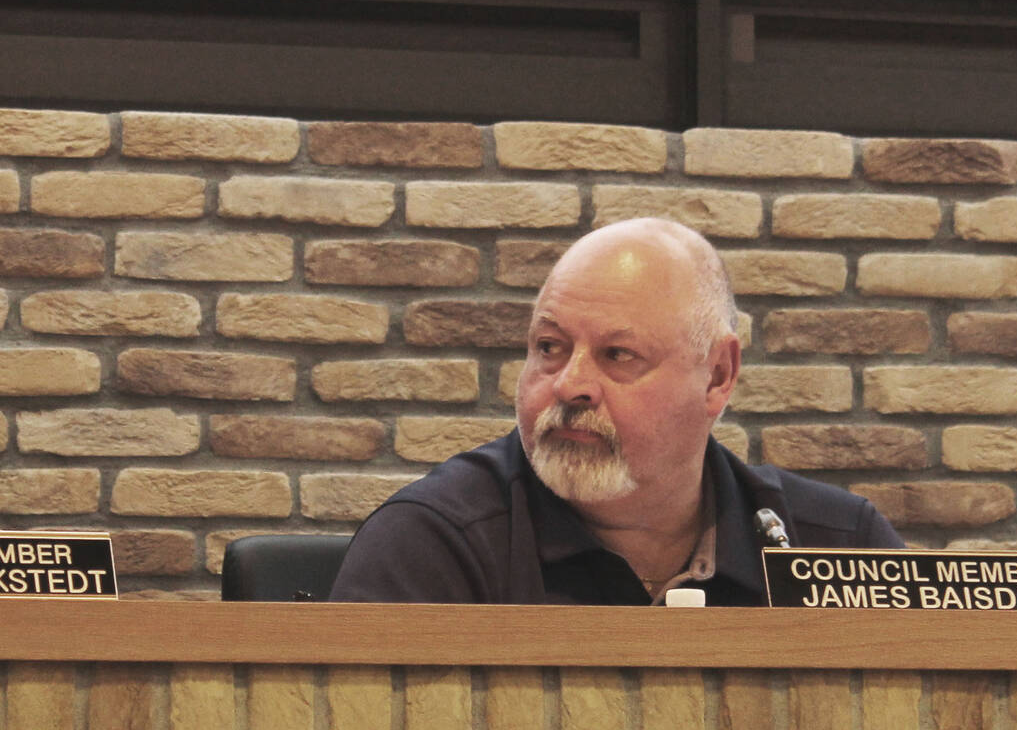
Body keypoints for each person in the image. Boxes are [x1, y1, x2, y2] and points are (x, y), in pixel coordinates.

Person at [329, 217, 902, 604]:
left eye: (618, 355)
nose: (571, 385)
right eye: (550, 349)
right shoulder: (433, 545)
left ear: (719, 376)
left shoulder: (839, 548)